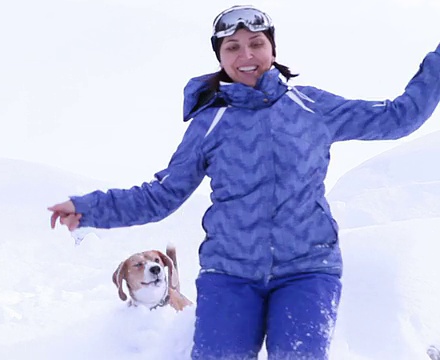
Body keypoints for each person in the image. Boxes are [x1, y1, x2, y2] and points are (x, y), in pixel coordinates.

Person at [48, 5, 440, 359]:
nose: (246, 55)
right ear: (219, 56)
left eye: (256, 43)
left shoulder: (312, 107)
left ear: (272, 50)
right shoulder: (209, 123)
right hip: (230, 275)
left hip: (307, 269)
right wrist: (89, 208)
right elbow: (162, 194)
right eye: (233, 47)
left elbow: (397, 118)